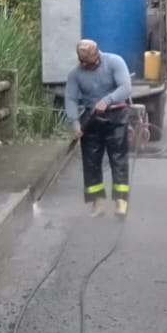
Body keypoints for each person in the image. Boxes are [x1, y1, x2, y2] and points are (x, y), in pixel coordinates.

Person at [65, 39, 132, 217]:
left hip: (115, 116)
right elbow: (70, 98)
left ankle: (121, 201)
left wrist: (107, 100)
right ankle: (98, 202)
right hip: (91, 119)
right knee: (91, 161)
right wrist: (75, 123)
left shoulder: (115, 62)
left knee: (118, 159)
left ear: (97, 55)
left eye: (89, 62)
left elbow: (125, 87)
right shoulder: (75, 74)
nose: (86, 66)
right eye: (83, 62)